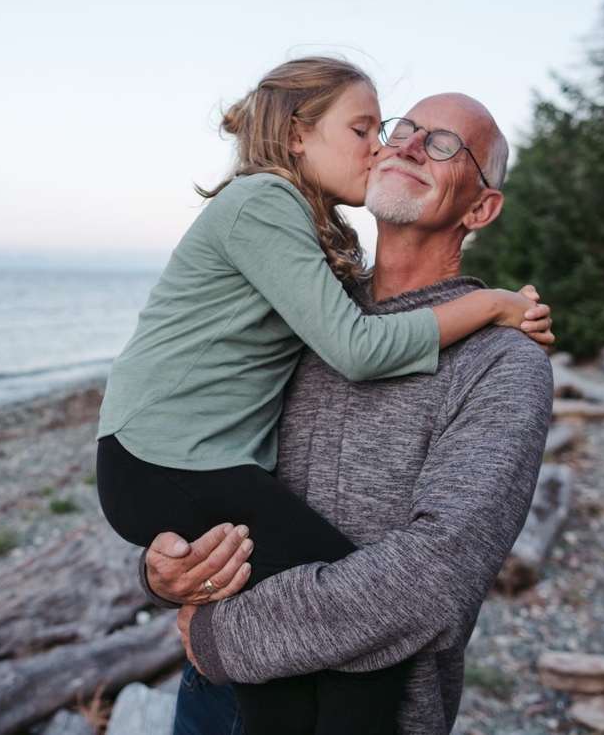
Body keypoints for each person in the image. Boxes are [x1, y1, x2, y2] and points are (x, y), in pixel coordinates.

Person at [96, 60, 553, 735]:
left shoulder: (502, 361)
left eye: (445, 143)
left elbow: (429, 581)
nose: (400, 145)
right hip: (218, 691)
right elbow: (210, 466)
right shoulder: (310, 313)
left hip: (339, 706)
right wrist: (165, 575)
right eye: (398, 129)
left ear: (482, 207)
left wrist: (230, 633)